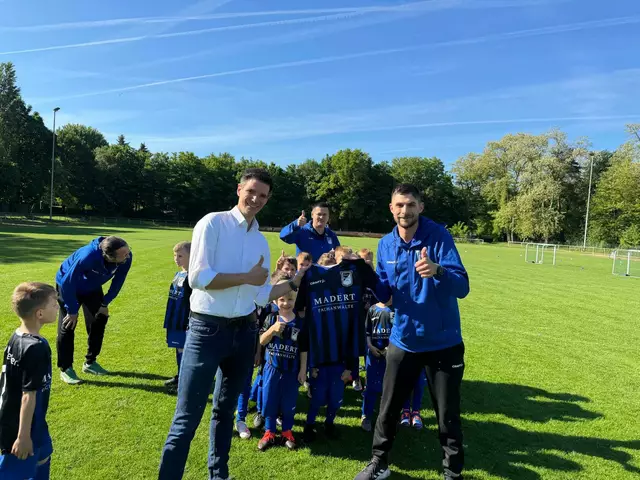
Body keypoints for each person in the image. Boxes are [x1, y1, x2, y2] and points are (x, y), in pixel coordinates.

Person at [158, 168, 308, 480]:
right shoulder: (213, 223)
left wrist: (295, 282)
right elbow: (198, 278)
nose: (256, 199)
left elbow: (261, 294)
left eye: (263, 195)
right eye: (251, 191)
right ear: (239, 189)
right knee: (186, 418)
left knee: (225, 413)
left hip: (245, 331)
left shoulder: (260, 241)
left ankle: (219, 474)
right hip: (206, 331)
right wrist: (246, 278)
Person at [354, 184, 470, 480]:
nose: (404, 211)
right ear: (391, 208)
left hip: (442, 342)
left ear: (420, 206)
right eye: (399, 205)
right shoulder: (386, 244)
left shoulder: (439, 237)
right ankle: (379, 462)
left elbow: (462, 287)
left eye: (410, 204)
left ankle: (452, 472)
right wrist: (366, 274)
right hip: (403, 339)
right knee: (388, 407)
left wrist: (438, 270)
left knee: (447, 415)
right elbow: (386, 296)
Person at [295, 250, 389, 443]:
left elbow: (383, 293)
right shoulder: (310, 276)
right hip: (320, 355)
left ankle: (329, 424)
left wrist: (362, 265)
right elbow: (299, 309)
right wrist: (310, 365)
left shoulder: (355, 273)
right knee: (317, 397)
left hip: (343, 356)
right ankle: (309, 425)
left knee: (336, 397)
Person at [55, 236, 132, 384]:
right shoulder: (88, 256)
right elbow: (67, 283)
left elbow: (119, 280)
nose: (127, 256)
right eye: (124, 254)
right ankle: (66, 369)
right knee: (68, 324)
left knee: (99, 319)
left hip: (92, 287)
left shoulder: (126, 257)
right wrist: (72, 311)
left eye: (128, 252)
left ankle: (90, 363)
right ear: (109, 256)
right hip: (68, 286)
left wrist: (105, 303)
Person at [0, 282, 58, 480]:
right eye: (54, 304)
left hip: (36, 422)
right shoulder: (35, 348)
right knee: (13, 472)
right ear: (39, 313)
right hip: (22, 425)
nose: (58, 307)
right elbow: (28, 395)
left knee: (43, 458)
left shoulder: (17, 336)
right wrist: (23, 437)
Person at [257, 274, 308, 451]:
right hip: (272, 367)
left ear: (295, 299)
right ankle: (269, 432)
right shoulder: (271, 318)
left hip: (291, 369)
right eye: (282, 299)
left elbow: (304, 349)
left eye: (290, 299)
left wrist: (303, 370)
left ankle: (287, 431)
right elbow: (261, 341)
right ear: (275, 300)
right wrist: (272, 330)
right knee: (269, 400)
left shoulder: (300, 323)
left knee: (288, 402)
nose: (286, 303)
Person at [360, 298, 394, 432]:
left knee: (389, 387)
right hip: (373, 354)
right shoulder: (372, 309)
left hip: (390, 355)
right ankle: (366, 415)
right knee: (371, 386)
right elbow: (367, 331)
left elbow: (399, 332)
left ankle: (387, 417)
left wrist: (389, 349)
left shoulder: (395, 310)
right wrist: (370, 346)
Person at [163, 242, 192, 393]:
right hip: (174, 318)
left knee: (184, 350)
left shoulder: (193, 277)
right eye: (175, 255)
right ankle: (180, 376)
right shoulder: (179, 274)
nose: (176, 259)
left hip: (184, 319)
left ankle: (184, 381)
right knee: (177, 347)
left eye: (180, 256)